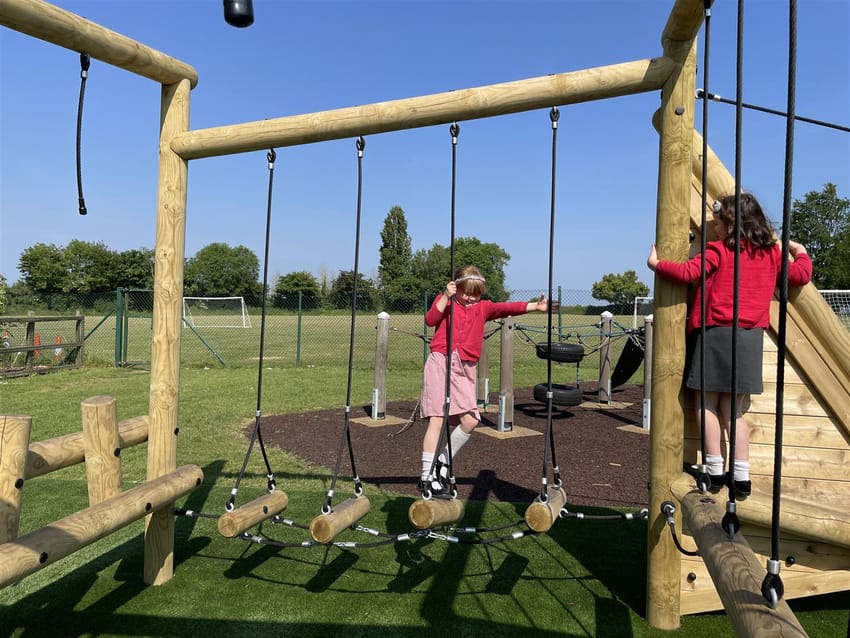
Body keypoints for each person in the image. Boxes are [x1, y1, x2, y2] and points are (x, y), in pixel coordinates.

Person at [647, 192, 812, 498]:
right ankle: (742, 476)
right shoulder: (771, 255)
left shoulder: (719, 251)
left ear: (732, 223)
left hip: (715, 333)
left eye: (720, 222)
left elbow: (687, 273)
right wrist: (799, 250)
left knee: (705, 404)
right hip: (749, 339)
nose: (716, 227)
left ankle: (714, 470)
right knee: (732, 410)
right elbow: (801, 275)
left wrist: (656, 263)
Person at [419, 265, 549, 498]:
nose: (470, 298)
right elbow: (431, 320)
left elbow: (508, 307)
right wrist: (446, 297)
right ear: (456, 287)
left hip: (465, 367)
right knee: (437, 420)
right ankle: (426, 477)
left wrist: (535, 307)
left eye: (475, 293)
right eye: (465, 292)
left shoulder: (483, 308)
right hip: (441, 361)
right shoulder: (446, 301)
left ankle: (442, 463)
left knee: (470, 420)